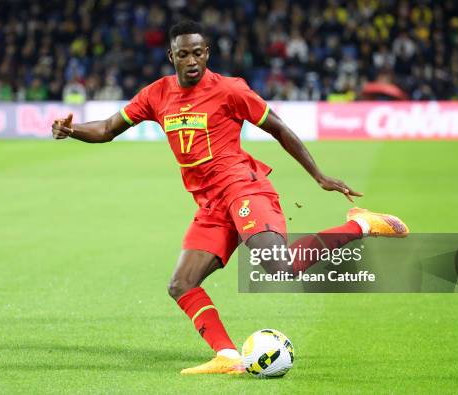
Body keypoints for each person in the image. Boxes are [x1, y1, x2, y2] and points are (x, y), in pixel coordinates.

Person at [51, 21, 408, 375]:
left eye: (197, 53)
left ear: (207, 53)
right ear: (171, 56)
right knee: (181, 284)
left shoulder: (230, 90)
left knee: (277, 267)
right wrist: (72, 130)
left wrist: (318, 175)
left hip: (243, 188)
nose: (191, 61)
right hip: (210, 205)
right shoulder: (156, 94)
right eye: (183, 54)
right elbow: (108, 128)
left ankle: (360, 224)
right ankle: (227, 356)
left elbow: (278, 128)